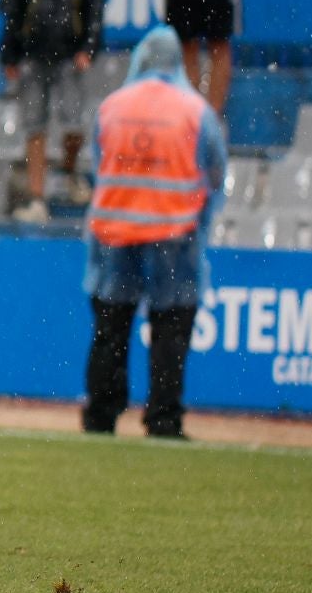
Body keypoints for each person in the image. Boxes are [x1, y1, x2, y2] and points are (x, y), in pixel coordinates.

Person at [82, 26, 225, 440]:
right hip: (173, 231)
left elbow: (95, 164)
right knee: (170, 329)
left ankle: (101, 414)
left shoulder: (112, 106)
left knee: (111, 327)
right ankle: (163, 417)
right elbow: (216, 171)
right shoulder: (195, 110)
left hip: (115, 230)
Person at [3, 0, 107, 224]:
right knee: (35, 127)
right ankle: (37, 196)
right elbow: (15, 11)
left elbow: (95, 12)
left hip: (69, 54)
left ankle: (70, 171)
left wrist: (89, 48)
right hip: (34, 54)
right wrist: (10, 53)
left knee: (74, 124)